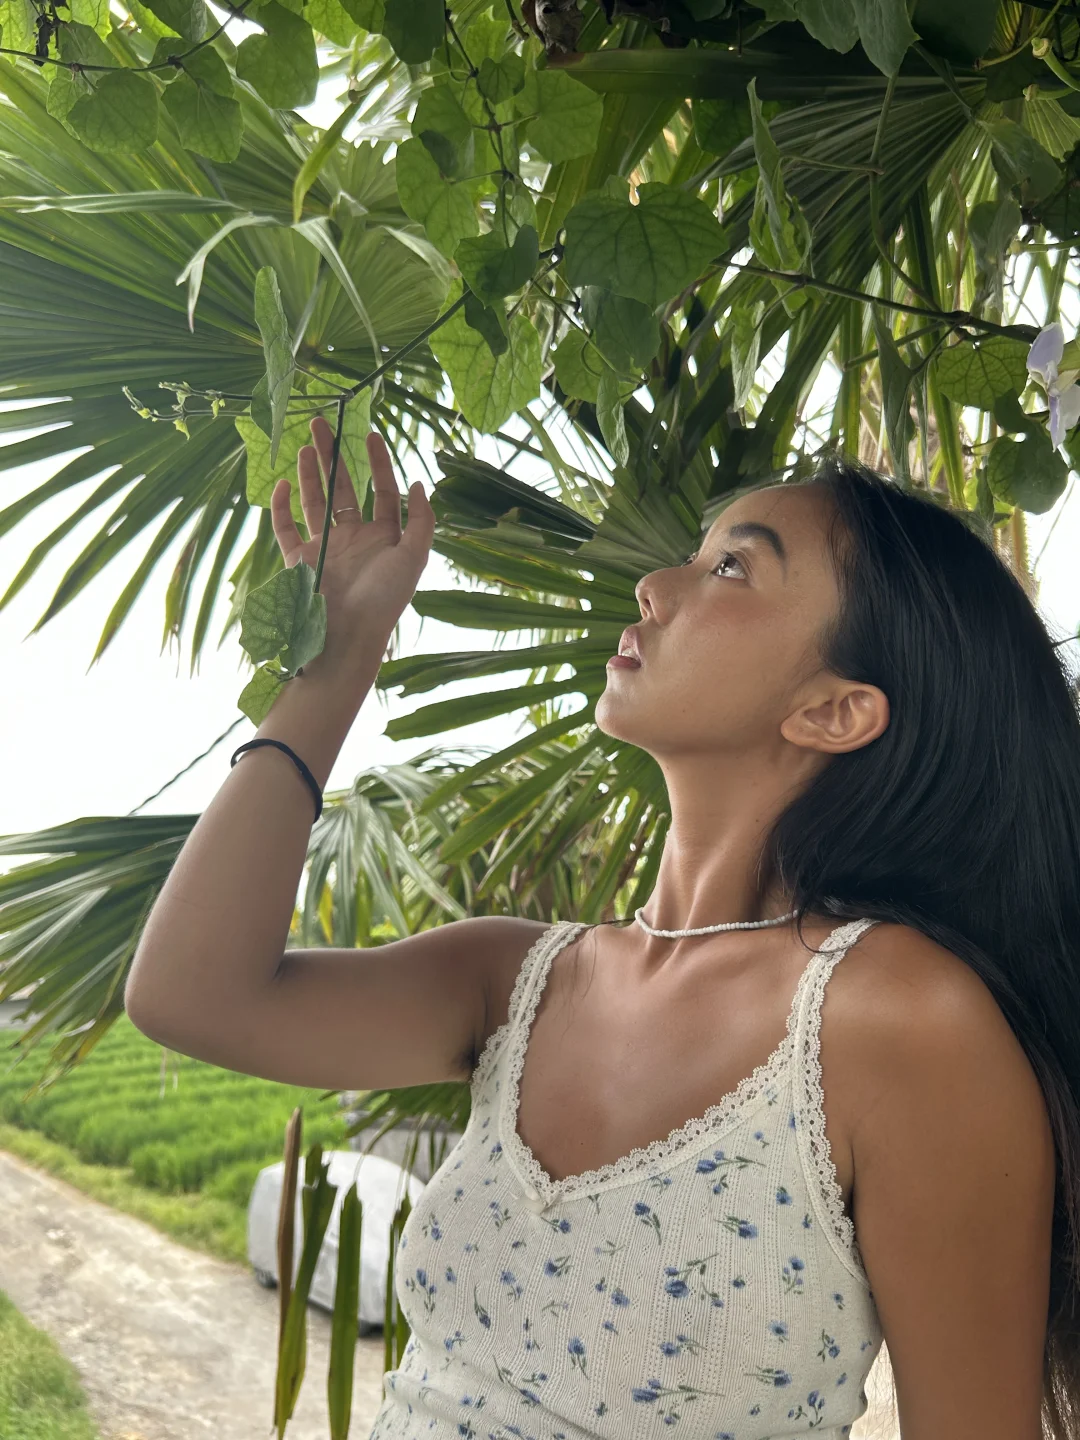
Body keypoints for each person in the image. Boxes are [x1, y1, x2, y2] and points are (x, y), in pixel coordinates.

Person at [125, 416, 1074, 1440]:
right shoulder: (517, 979)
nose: (655, 587)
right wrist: (343, 648)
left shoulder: (901, 1017)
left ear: (834, 712)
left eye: (731, 571)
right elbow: (192, 995)